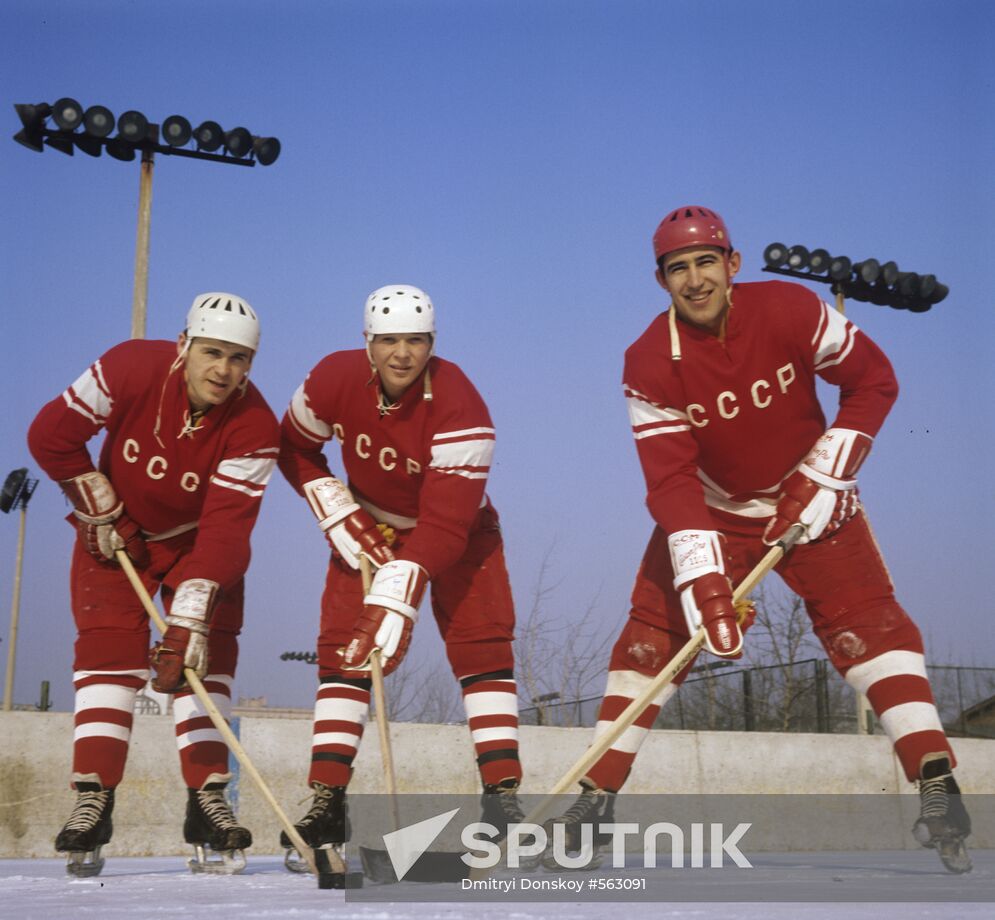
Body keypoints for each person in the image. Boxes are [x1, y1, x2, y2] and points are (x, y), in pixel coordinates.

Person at [550, 206, 971, 873]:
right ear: (660, 280)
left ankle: (935, 781)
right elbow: (669, 480)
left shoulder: (789, 310)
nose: (694, 280)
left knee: (869, 627)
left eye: (705, 262)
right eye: (677, 268)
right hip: (713, 511)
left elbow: (873, 380)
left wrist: (827, 471)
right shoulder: (646, 361)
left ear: (732, 264)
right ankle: (593, 802)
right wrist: (701, 573)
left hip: (813, 497)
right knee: (649, 638)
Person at [28, 292, 280, 875]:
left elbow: (226, 531)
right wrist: (98, 504)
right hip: (118, 537)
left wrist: (190, 616)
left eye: (240, 359)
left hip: (201, 546)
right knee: (107, 654)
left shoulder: (256, 426)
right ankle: (94, 798)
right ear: (184, 345)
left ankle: (208, 799)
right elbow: (50, 435)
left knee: (203, 659)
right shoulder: (128, 366)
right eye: (213, 352)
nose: (224, 370)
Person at [278, 283, 521, 855]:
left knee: (483, 648)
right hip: (369, 529)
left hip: (458, 532)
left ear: (432, 343)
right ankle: (327, 801)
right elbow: (291, 447)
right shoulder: (332, 379)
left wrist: (403, 587)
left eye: (415, 340)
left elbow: (444, 523)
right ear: (367, 342)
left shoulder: (463, 403)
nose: (402, 354)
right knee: (345, 653)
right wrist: (331, 504)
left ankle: (501, 795)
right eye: (388, 340)